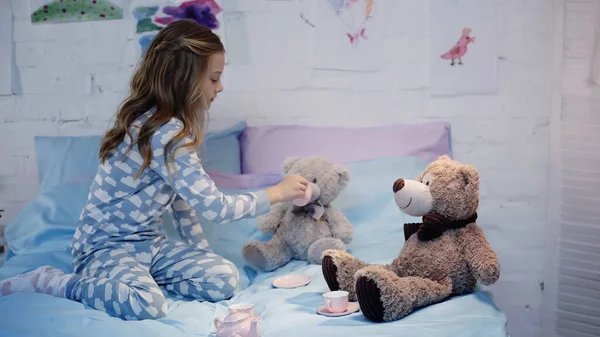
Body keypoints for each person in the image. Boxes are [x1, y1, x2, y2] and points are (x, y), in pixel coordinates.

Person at [0, 19, 308, 320]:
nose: (221, 87)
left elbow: (183, 205)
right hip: (105, 248)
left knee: (224, 277)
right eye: (214, 78)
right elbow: (216, 207)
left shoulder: (175, 132)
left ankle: (132, 280)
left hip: (149, 246)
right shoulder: (164, 133)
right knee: (147, 304)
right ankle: (53, 281)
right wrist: (276, 193)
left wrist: (203, 256)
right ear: (185, 79)